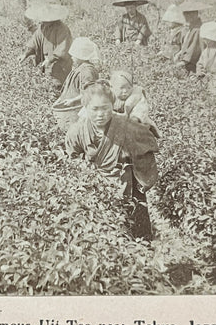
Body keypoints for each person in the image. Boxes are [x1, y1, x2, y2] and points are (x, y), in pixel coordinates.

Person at [65, 80, 159, 240]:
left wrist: (140, 176)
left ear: (112, 105)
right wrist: (86, 174)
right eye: (94, 109)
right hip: (96, 189)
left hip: (129, 187)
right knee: (102, 235)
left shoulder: (127, 126)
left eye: (105, 108)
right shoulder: (77, 131)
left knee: (137, 235)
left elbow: (148, 144)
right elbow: (72, 158)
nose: (100, 114)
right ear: (85, 107)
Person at [18, 4, 73, 87]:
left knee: (57, 85)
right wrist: (25, 54)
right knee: (47, 82)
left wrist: (50, 59)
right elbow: (35, 41)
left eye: (45, 20)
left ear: (52, 19)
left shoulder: (62, 29)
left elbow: (62, 49)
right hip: (47, 62)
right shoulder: (43, 27)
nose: (42, 21)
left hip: (59, 65)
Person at [52, 37, 101, 130]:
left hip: (79, 110)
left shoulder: (87, 71)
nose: (71, 57)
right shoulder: (79, 68)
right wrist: (60, 99)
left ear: (81, 56)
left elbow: (90, 93)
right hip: (71, 107)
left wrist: (73, 101)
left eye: (74, 55)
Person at [109, 70, 161, 138]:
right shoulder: (109, 96)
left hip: (135, 123)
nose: (125, 91)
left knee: (141, 132)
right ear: (112, 88)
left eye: (129, 88)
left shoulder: (136, 96)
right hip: (115, 123)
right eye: (121, 88)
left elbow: (141, 109)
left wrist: (135, 118)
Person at [174, 1, 211, 72]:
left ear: (195, 14)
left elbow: (193, 53)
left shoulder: (197, 30)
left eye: (188, 14)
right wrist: (179, 53)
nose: (185, 16)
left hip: (194, 66)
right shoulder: (192, 28)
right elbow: (187, 46)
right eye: (184, 14)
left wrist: (180, 63)